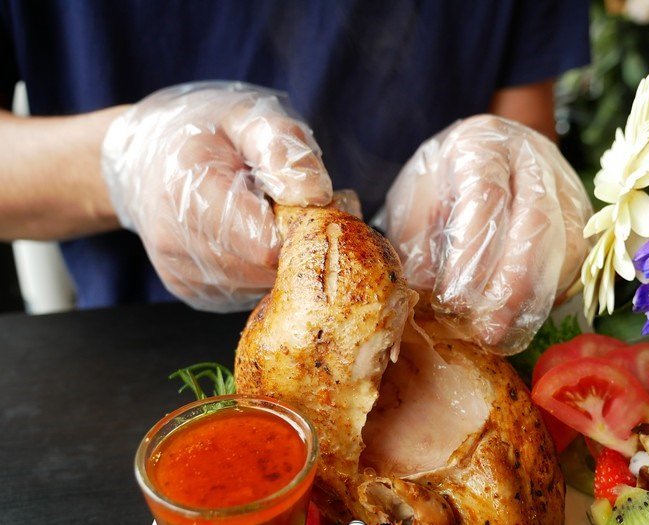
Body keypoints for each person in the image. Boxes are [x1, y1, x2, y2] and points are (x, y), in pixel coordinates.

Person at [0, 1, 591, 353]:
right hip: (132, 349)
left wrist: (515, 169)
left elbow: (526, 117)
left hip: (431, 325)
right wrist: (122, 160)